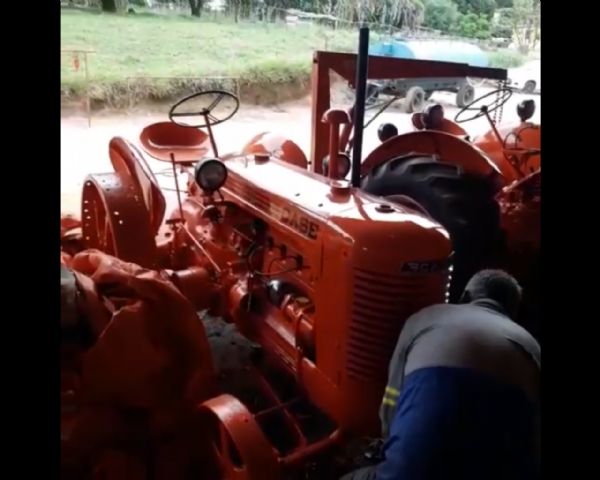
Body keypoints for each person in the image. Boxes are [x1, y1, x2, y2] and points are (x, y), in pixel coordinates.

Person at [342, 269, 541, 480]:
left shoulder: (426, 317)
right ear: (512, 312)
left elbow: (392, 402)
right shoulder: (531, 347)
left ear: (465, 297)